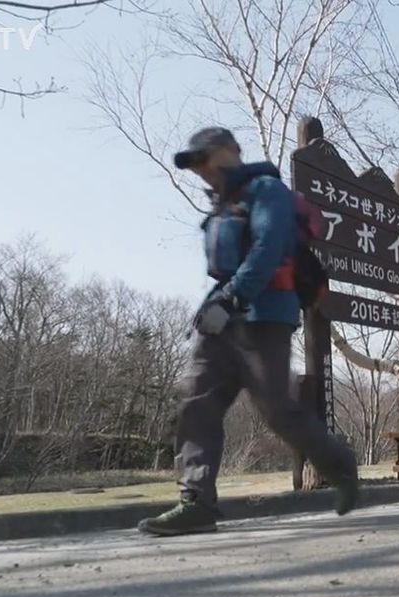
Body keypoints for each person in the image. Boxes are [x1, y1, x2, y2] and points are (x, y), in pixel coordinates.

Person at [138, 127, 359, 536]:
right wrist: (216, 305)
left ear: (231, 151)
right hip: (220, 320)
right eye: (194, 163)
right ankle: (196, 502)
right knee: (197, 403)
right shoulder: (221, 207)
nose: (201, 169)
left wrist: (233, 298)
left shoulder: (265, 191)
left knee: (277, 410)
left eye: (206, 157)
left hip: (266, 317)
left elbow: (268, 248)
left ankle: (342, 468)